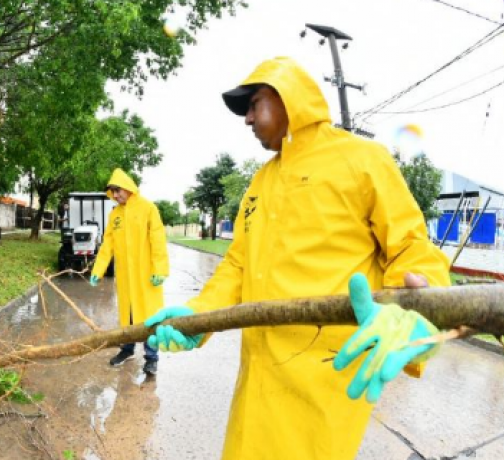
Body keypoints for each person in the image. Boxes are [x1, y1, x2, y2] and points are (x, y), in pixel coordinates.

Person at [145, 57, 450, 459]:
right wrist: (198, 317)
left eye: (254, 104)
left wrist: (417, 307)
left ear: (288, 96)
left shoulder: (362, 160)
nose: (248, 120)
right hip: (256, 382)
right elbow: (238, 264)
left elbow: (412, 246)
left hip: (325, 382)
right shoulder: (261, 181)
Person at [89, 168, 169, 375]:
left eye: (118, 191)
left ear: (127, 187)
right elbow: (108, 245)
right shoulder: (115, 215)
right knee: (128, 316)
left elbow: (158, 239)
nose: (115, 195)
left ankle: (151, 358)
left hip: (147, 277)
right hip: (125, 277)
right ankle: (127, 349)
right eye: (112, 192)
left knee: (150, 318)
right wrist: (98, 269)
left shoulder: (148, 208)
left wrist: (160, 269)